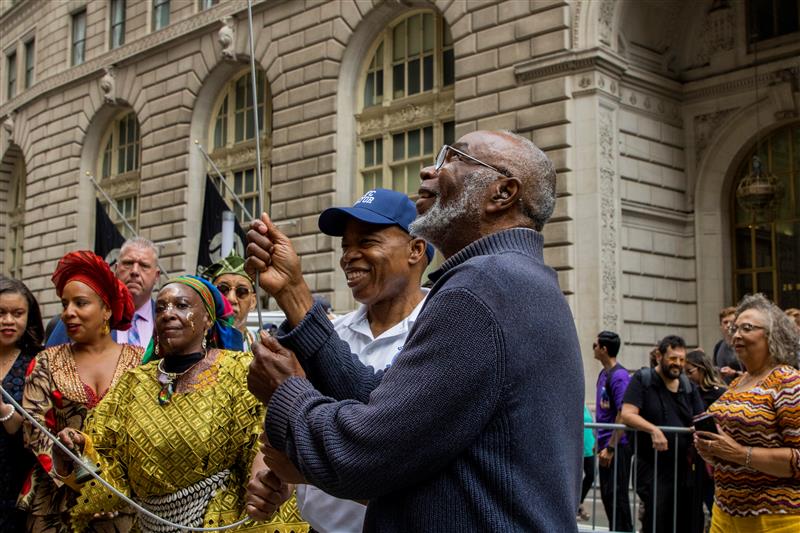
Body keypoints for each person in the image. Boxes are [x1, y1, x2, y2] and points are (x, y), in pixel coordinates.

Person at [245, 130, 584, 531]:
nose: (428, 168)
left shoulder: (480, 288)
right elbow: (383, 405)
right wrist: (293, 293)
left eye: (451, 158)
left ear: (502, 192)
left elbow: (365, 453)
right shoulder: (515, 279)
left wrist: (288, 392)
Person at [59, 275, 306, 532]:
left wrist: (266, 486)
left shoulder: (239, 373)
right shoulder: (132, 383)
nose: (168, 314)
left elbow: (266, 443)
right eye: (161, 308)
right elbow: (108, 471)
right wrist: (77, 453)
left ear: (207, 319)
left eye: (182, 305)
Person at [253, 188, 433, 533]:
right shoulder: (332, 334)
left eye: (366, 241)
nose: (349, 256)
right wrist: (280, 482)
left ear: (415, 249)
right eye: (345, 246)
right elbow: (295, 429)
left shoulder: (437, 334)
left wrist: (308, 473)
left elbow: (387, 450)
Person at [20, 250, 142, 532]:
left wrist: (110, 487)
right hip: (55, 502)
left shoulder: (140, 363)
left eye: (80, 303)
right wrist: (73, 476)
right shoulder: (46, 361)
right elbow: (33, 429)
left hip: (123, 502)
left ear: (107, 309)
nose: (68, 312)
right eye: (65, 304)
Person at [694, 293, 800, 532]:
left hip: (776, 519)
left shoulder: (788, 381)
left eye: (747, 328)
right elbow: (729, 444)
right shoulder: (737, 382)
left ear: (772, 336)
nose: (736, 335)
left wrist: (740, 453)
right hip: (724, 513)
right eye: (735, 328)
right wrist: (711, 449)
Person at [620, 335, 705, 533]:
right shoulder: (643, 380)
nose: (678, 364)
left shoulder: (688, 386)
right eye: (673, 358)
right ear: (659, 356)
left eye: (682, 360)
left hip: (684, 469)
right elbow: (627, 414)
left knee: (687, 521)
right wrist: (653, 430)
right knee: (658, 521)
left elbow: (700, 417)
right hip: (653, 468)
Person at [46, 237, 161, 353]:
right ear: (116, 269)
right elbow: (51, 362)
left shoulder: (166, 319)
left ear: (157, 276)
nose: (135, 271)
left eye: (144, 265)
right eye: (128, 263)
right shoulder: (78, 315)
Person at [0, 277, 44, 531]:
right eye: (1, 313)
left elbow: (30, 428)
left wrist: (3, 409)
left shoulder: (37, 362)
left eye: (17, 313)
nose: (8, 321)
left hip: (15, 480)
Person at [593, 330, 633, 532]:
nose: (594, 348)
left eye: (595, 345)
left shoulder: (619, 377)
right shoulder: (603, 374)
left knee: (617, 496)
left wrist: (610, 447)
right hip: (605, 444)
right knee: (609, 495)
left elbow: (623, 414)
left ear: (604, 349)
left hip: (617, 446)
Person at [685, 349, 727, 516]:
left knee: (712, 502)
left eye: (690, 371)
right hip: (694, 456)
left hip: (713, 456)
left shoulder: (719, 393)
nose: (687, 376)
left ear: (702, 368)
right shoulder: (689, 392)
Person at [200, 252, 258, 350]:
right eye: (222, 289)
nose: (231, 299)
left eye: (242, 291)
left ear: (253, 302)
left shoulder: (263, 345)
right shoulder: (194, 343)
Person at [713, 306, 743, 384]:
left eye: (732, 322)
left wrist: (734, 373)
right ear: (721, 326)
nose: (729, 325)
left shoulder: (743, 345)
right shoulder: (718, 346)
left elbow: (754, 375)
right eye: (725, 322)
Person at [578, 405, 596, 522]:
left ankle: (579, 503)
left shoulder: (585, 407)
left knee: (591, 475)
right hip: (577, 448)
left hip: (589, 447)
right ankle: (576, 507)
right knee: (575, 478)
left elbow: (593, 425)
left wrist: (595, 441)